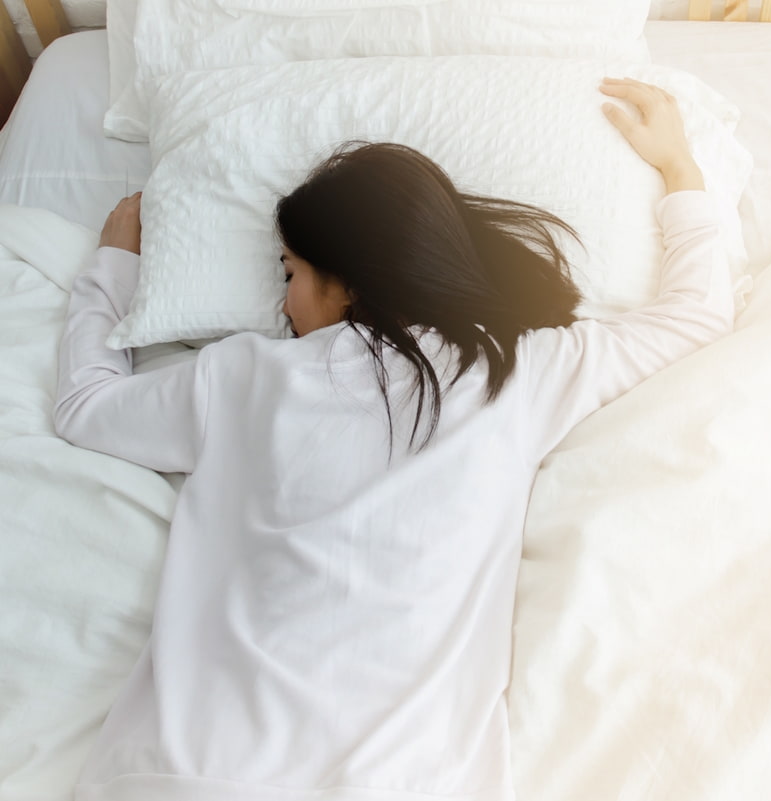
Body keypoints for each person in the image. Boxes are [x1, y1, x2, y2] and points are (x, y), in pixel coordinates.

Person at [55, 78, 735, 801]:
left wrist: (112, 269)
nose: (283, 301)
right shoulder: (517, 369)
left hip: (186, 771)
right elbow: (696, 315)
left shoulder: (242, 376)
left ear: (348, 281)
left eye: (290, 271)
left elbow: (85, 406)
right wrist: (680, 170)